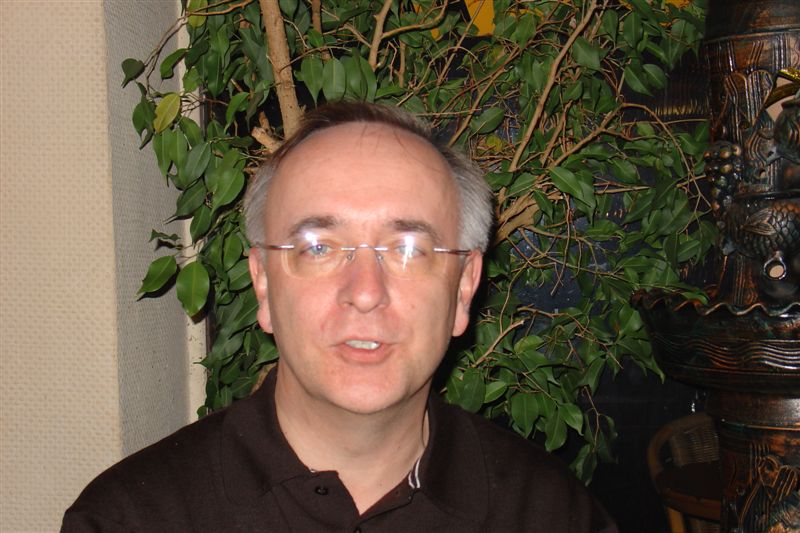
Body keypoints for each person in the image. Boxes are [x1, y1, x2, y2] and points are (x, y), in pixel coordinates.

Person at [62, 102, 617, 532]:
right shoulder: (128, 520)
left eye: (408, 249)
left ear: (463, 287)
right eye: (320, 248)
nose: (366, 293)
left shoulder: (554, 517)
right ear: (263, 282)